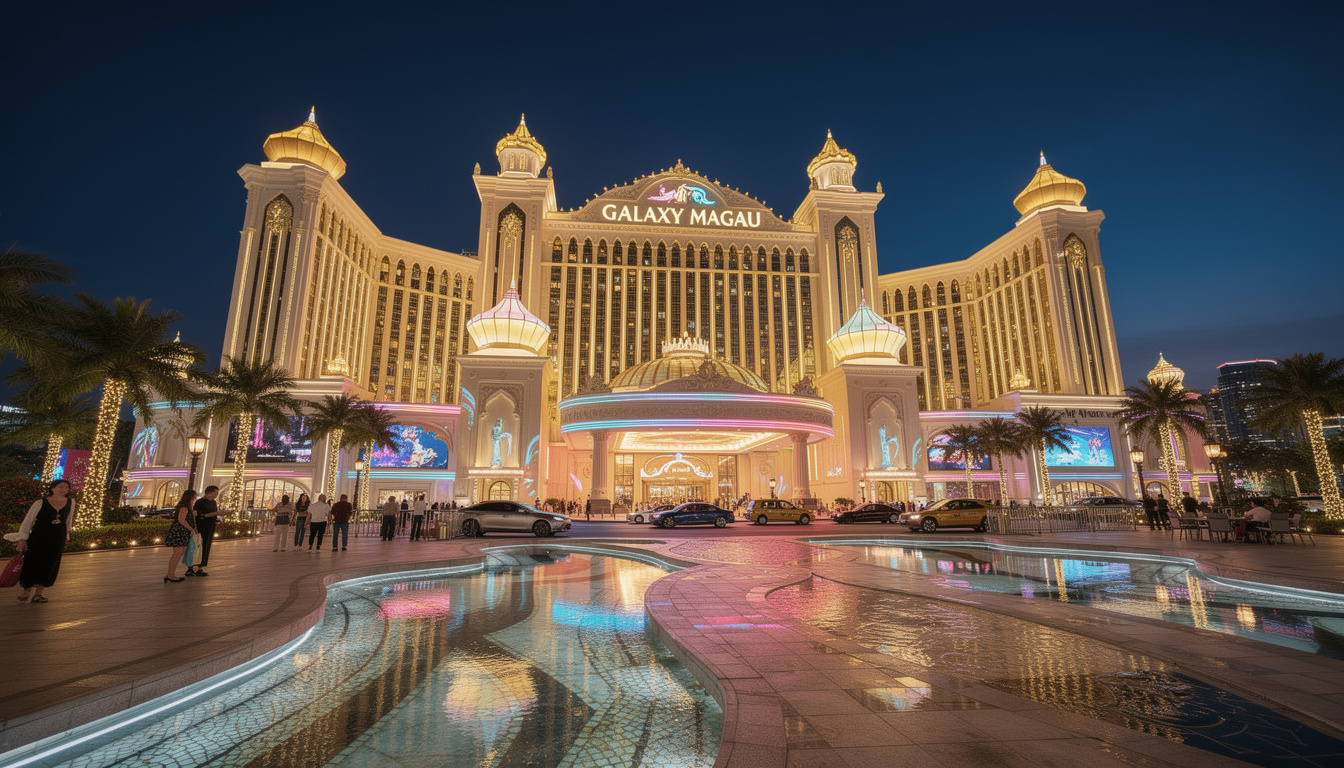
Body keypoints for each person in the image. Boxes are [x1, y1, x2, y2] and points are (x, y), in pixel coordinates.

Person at [13, 479, 74, 603]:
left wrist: (66, 536)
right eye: (60, 487)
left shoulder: (71, 502)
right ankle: (26, 591)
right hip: (39, 537)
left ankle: (39, 594)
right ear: (52, 488)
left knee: (50, 564)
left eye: (66, 488)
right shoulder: (40, 502)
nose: (63, 490)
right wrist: (22, 538)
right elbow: (28, 521)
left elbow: (68, 520)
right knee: (32, 562)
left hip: (57, 538)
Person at [164, 490, 198, 583]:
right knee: (177, 553)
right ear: (190, 497)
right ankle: (170, 575)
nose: (195, 498)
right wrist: (191, 529)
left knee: (181, 552)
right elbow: (181, 520)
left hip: (184, 531)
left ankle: (171, 574)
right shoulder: (184, 507)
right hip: (180, 531)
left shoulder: (189, 507)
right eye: (194, 496)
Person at [189, 485, 220, 576]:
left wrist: (216, 515)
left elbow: (213, 514)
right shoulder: (200, 502)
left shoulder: (213, 502)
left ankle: (200, 567)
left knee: (206, 546)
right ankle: (190, 567)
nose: (216, 495)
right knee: (197, 546)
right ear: (209, 492)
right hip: (201, 527)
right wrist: (213, 514)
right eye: (215, 493)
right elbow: (199, 515)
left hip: (210, 527)